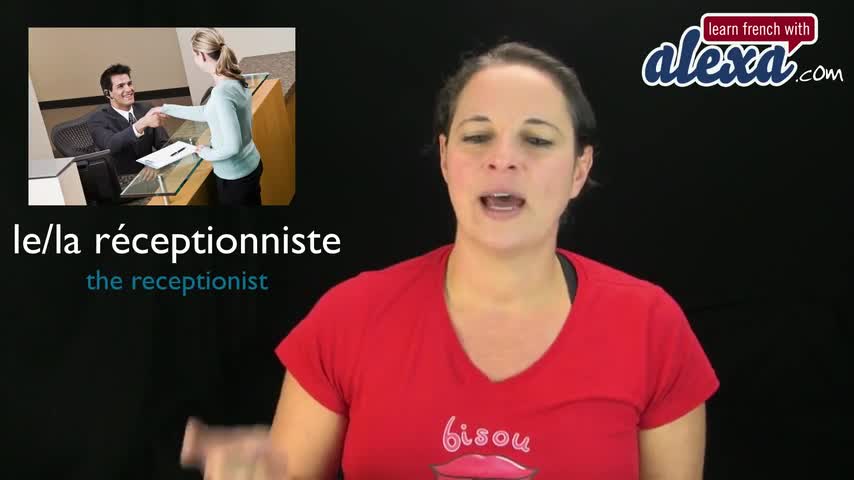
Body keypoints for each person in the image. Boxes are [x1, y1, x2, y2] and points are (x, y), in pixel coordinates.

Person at [180, 42, 720, 479]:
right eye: (478, 136)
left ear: (580, 170)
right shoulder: (349, 316)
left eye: (537, 139)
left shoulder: (652, 326)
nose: (503, 158)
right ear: (444, 158)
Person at [154, 28, 263, 206]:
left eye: (194, 55)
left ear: (203, 56)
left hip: (235, 177)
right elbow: (207, 112)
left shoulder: (221, 93)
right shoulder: (234, 79)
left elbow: (232, 147)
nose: (194, 59)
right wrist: (167, 109)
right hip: (250, 165)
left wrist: (205, 152)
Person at [87, 64, 169, 180]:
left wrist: (155, 162)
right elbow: (110, 145)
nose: (129, 89)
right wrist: (141, 124)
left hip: (151, 175)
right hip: (122, 181)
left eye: (129, 84)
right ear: (108, 93)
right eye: (120, 86)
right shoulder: (97, 119)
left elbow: (164, 143)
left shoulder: (145, 108)